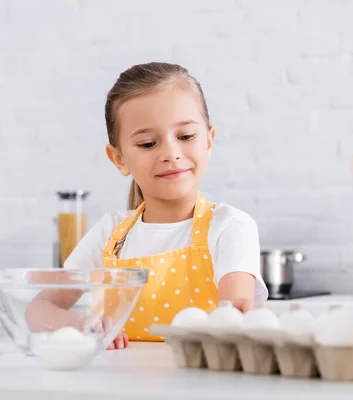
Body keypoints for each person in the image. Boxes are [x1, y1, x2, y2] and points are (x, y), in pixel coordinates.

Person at [26, 62, 268, 350]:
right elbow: (37, 311)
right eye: (148, 143)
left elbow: (232, 319)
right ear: (119, 159)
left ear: (209, 141)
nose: (170, 153)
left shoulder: (230, 227)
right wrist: (83, 325)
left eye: (186, 136)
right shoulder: (110, 234)